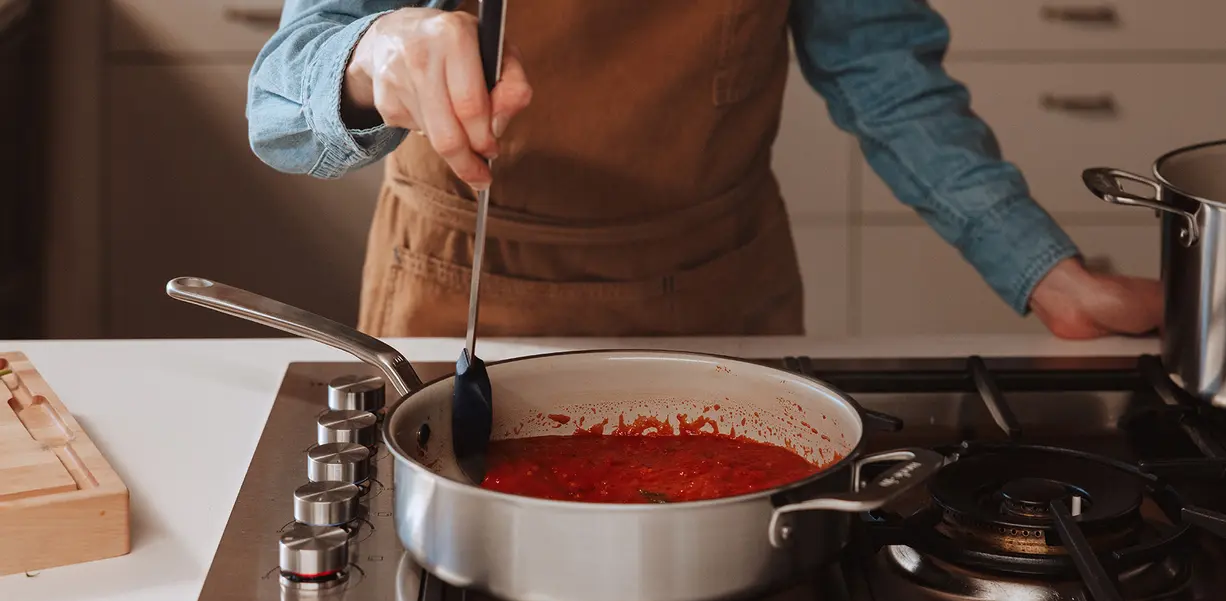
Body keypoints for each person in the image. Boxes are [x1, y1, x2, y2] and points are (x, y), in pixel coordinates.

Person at [245, 0, 1162, 340]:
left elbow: (883, 72)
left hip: (720, 305)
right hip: (466, 299)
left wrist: (1045, 270)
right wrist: (378, 50)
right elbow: (279, 100)